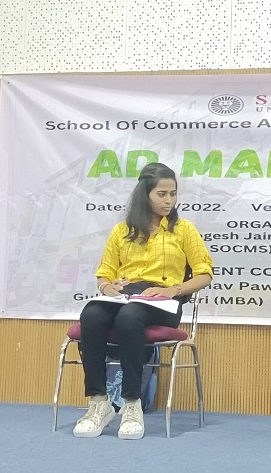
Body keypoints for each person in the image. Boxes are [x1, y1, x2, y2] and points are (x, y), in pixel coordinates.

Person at [73, 162, 213, 440]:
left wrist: (173, 290)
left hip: (165, 301)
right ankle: (99, 402)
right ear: (145, 194)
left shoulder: (184, 229)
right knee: (91, 313)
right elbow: (105, 272)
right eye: (162, 194)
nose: (169, 200)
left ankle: (131, 403)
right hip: (128, 295)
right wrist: (107, 286)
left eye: (173, 193)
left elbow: (205, 274)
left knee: (130, 316)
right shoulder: (122, 231)